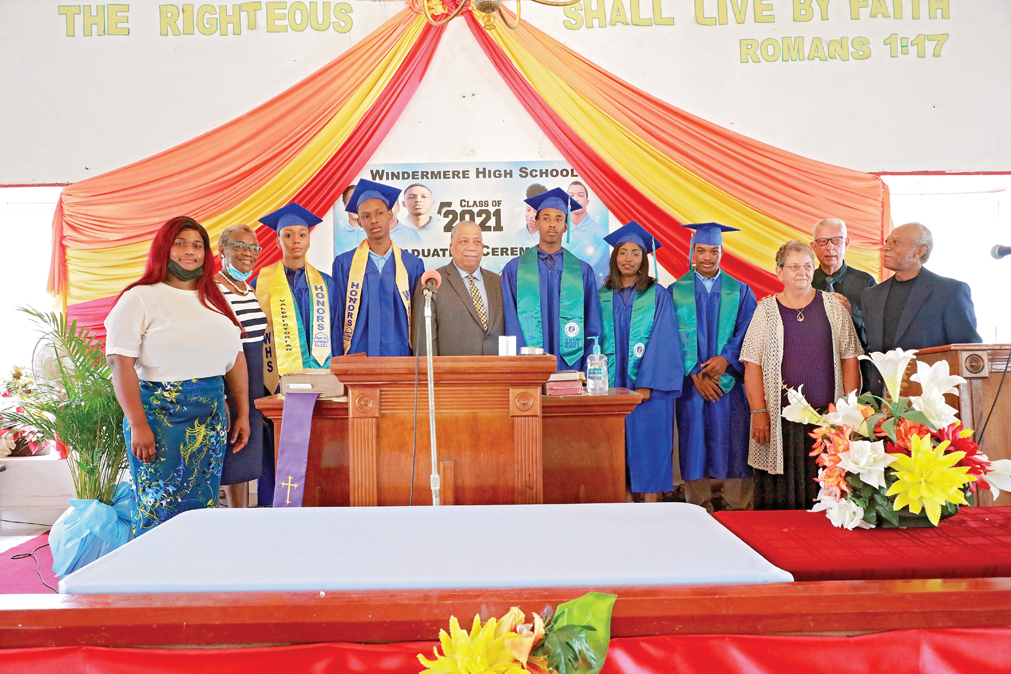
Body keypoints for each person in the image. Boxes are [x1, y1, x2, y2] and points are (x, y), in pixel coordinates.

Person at [105, 217, 249, 536]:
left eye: (197, 245)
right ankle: (152, 581)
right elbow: (119, 362)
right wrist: (139, 425)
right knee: (160, 504)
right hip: (160, 417)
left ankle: (195, 576)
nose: (190, 251)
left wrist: (243, 414)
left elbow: (235, 357)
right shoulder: (140, 297)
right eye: (180, 243)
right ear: (164, 249)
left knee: (203, 505)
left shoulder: (214, 299)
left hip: (211, 416)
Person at [741, 241, 862, 510]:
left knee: (826, 495)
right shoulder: (765, 310)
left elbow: (850, 358)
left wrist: (848, 412)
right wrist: (758, 411)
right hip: (779, 421)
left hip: (827, 420)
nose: (801, 272)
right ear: (779, 271)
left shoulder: (833, 307)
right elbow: (752, 365)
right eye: (794, 266)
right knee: (779, 501)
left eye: (807, 266)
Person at [254, 202, 339, 505]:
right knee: (276, 449)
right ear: (277, 240)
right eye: (288, 235)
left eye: (302, 235)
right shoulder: (260, 285)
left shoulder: (327, 285)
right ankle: (273, 508)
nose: (296, 242)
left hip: (319, 382)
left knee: (320, 447)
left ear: (309, 239)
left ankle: (318, 501)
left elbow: (338, 333)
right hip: (276, 382)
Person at [670, 223, 757, 513]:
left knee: (734, 440)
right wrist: (696, 374)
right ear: (692, 251)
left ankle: (739, 506)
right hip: (692, 384)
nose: (707, 257)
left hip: (729, 383)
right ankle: (697, 506)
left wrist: (726, 360)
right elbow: (669, 336)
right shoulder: (674, 291)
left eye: (714, 251)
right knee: (694, 441)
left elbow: (748, 332)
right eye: (701, 250)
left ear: (722, 252)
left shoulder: (740, 291)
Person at [598, 222, 683, 502]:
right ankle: (620, 502)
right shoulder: (601, 296)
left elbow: (665, 341)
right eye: (623, 252)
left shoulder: (658, 295)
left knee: (651, 445)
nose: (628, 259)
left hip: (648, 391)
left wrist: (646, 384)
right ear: (614, 257)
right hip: (608, 387)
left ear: (644, 260)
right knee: (612, 447)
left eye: (635, 253)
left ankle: (651, 505)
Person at [862, 222, 981, 394]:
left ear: (919, 251)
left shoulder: (949, 292)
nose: (886, 248)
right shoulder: (872, 295)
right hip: (883, 399)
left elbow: (967, 352)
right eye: (887, 242)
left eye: (895, 242)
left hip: (933, 398)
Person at [501, 187, 602, 372]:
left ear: (566, 226)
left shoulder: (582, 271)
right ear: (537, 223)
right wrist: (518, 366)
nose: (552, 224)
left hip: (571, 367)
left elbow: (592, 324)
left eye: (559, 219)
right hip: (527, 367)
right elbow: (510, 322)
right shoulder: (514, 270)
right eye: (546, 218)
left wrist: (587, 370)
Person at [333, 179, 426, 357]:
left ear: (390, 215)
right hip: (357, 358)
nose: (374, 220)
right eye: (366, 216)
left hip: (401, 358)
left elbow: (418, 321)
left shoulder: (412, 264)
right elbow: (338, 319)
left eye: (379, 213)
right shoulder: (344, 264)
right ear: (359, 221)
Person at [214, 224, 268, 509]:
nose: (248, 253)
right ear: (222, 250)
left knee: (244, 456)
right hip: (228, 378)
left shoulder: (248, 288)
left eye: (253, 247)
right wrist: (221, 394)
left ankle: (240, 516)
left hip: (254, 375)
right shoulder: (213, 289)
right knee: (226, 452)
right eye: (239, 246)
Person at [412, 221, 505, 356]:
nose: (471, 247)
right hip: (452, 373)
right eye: (464, 241)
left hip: (496, 372)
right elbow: (424, 343)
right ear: (451, 247)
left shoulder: (498, 282)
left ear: (483, 247)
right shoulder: (433, 282)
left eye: (477, 242)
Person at [565, 180, 609, 286]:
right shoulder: (558, 232)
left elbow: (603, 269)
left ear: (587, 201)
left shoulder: (601, 234)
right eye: (571, 195)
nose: (576, 199)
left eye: (580, 195)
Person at [334, 184, 367, 254]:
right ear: (345, 205)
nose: (355, 205)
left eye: (358, 200)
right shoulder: (338, 237)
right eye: (351, 200)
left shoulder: (373, 233)